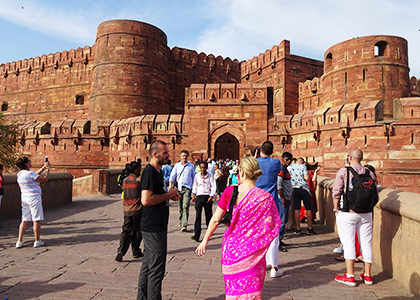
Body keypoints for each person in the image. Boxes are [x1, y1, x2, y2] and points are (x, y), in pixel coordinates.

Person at [195, 157, 280, 299]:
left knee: (233, 292)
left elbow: (216, 219)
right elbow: (273, 225)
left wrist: (205, 240)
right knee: (251, 293)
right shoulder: (265, 198)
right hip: (253, 253)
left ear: (241, 172)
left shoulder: (230, 191)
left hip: (232, 251)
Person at [137, 140, 181, 300]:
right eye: (165, 153)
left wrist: (169, 195)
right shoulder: (149, 172)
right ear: (155, 154)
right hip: (153, 227)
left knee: (148, 266)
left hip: (155, 225)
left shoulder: (157, 172)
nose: (169, 156)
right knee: (156, 269)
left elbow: (156, 195)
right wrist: (168, 195)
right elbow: (146, 200)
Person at [332, 148, 378, 287]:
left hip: (348, 212)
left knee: (348, 243)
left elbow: (336, 192)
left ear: (350, 157)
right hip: (366, 213)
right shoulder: (370, 173)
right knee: (366, 243)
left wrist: (336, 209)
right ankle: (368, 275)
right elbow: (375, 192)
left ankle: (350, 276)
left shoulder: (344, 171)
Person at [256, 141, 284, 277]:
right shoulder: (276, 163)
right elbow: (281, 170)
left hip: (256, 202)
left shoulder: (254, 163)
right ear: (272, 151)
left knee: (257, 233)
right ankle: (274, 267)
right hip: (271, 202)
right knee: (273, 235)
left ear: (260, 149)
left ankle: (257, 263)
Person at [15, 156, 50, 248]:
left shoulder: (20, 174)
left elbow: (34, 176)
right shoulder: (30, 174)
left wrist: (43, 168)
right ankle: (37, 240)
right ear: (26, 164)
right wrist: (48, 170)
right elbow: (44, 179)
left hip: (24, 198)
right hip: (34, 198)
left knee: (24, 219)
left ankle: (19, 241)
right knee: (36, 219)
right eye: (29, 161)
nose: (31, 162)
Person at [115, 161, 143, 262]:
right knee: (137, 231)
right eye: (139, 168)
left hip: (126, 210)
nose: (140, 170)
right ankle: (136, 251)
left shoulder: (125, 180)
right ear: (136, 170)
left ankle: (121, 251)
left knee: (126, 231)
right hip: (137, 210)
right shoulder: (138, 181)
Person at [288, 157, 316, 235]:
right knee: (308, 208)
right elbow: (306, 177)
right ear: (302, 162)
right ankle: (309, 228)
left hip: (294, 189)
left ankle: (298, 229)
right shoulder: (303, 166)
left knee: (296, 209)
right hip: (304, 188)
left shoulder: (289, 167)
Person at [169, 150, 195, 232]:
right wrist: (171, 186)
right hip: (179, 188)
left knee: (185, 206)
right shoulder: (177, 166)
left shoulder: (191, 166)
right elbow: (172, 177)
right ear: (180, 157)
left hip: (187, 188)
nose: (184, 157)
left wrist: (194, 190)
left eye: (186, 156)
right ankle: (181, 219)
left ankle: (184, 225)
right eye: (183, 156)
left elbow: (193, 177)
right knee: (180, 206)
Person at [191, 161, 216, 242]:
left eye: (204, 167)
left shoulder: (210, 176)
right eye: (201, 168)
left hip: (207, 196)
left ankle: (209, 234)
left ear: (207, 168)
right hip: (199, 196)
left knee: (208, 216)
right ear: (199, 168)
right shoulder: (197, 176)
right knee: (198, 216)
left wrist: (211, 196)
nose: (203, 169)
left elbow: (213, 186)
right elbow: (195, 185)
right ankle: (196, 235)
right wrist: (194, 195)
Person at [277, 152, 293, 252]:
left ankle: (280, 240)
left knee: (284, 220)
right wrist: (282, 198)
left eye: (290, 159)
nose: (289, 161)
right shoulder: (281, 169)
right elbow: (279, 185)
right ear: (282, 159)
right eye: (287, 159)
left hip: (286, 197)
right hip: (282, 198)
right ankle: (277, 242)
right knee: (282, 221)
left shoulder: (284, 169)